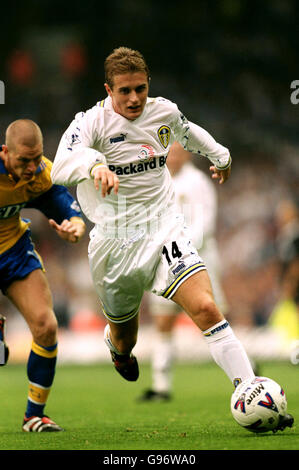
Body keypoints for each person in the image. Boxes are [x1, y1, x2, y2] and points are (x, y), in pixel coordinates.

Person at [51, 47, 293, 431]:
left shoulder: (162, 110)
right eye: (125, 91)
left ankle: (250, 387)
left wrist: (221, 155)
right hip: (115, 244)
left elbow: (187, 131)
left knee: (207, 308)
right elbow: (60, 168)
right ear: (108, 89)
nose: (134, 99)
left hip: (164, 228)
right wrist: (94, 164)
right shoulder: (91, 123)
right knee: (125, 337)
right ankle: (118, 347)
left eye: (140, 89)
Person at [0, 119, 86, 432]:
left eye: (37, 158)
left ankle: (33, 415)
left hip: (12, 249)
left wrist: (75, 225)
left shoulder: (40, 173)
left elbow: (62, 202)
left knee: (46, 326)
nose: (32, 167)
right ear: (5, 152)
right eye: (24, 160)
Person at [138, 141, 228, 401]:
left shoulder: (199, 182)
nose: (173, 157)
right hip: (165, 261)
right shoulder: (156, 180)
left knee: (215, 317)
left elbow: (206, 222)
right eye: (169, 153)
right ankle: (161, 386)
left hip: (201, 258)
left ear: (187, 154)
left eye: (177, 152)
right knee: (163, 321)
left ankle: (246, 371)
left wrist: (182, 247)